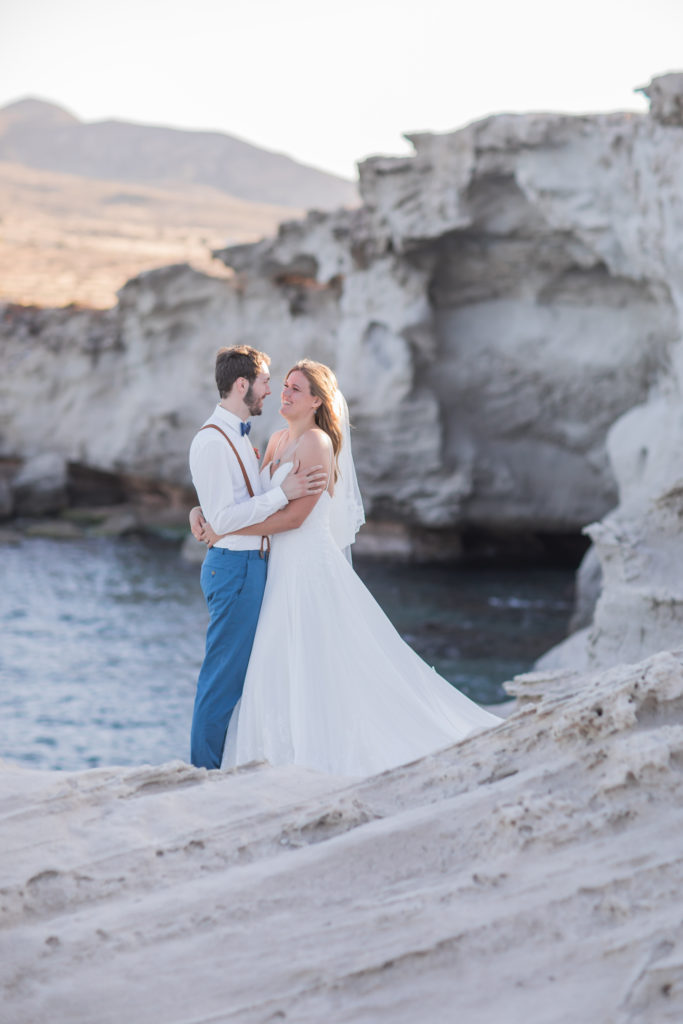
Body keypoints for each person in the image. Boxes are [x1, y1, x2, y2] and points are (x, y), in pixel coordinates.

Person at [190, 359, 502, 777]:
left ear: (317, 401)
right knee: (276, 660)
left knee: (321, 658)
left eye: (296, 389)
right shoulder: (276, 439)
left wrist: (222, 531)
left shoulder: (316, 444)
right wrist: (206, 514)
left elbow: (294, 518)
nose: (284, 393)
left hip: (303, 565)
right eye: (284, 386)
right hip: (273, 565)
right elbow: (240, 497)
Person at [188, 345, 326, 770]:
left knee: (246, 676)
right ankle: (202, 772)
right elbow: (225, 515)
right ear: (243, 384)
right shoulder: (214, 441)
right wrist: (281, 494)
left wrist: (200, 512)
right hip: (236, 569)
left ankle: (229, 763)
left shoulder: (244, 438)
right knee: (221, 680)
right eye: (267, 381)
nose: (272, 390)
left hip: (253, 568)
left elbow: (225, 506)